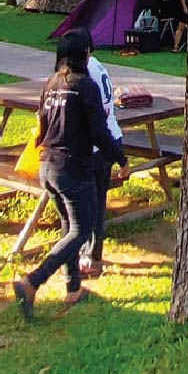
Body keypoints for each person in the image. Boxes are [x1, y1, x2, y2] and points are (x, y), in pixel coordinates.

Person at [13, 32, 127, 320]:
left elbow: (41, 123)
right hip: (72, 168)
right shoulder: (84, 85)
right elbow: (100, 133)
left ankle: (73, 288)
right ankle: (33, 281)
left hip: (47, 166)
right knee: (82, 230)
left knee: (69, 227)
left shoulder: (51, 84)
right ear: (85, 53)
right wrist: (121, 159)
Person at [82, 45, 127, 277]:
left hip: (100, 144)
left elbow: (95, 118)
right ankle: (89, 253)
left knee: (93, 203)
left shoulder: (86, 72)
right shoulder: (98, 65)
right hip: (109, 138)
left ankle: (91, 256)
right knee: (94, 201)